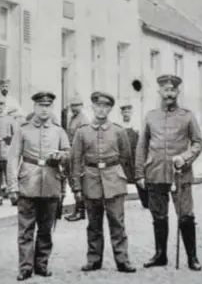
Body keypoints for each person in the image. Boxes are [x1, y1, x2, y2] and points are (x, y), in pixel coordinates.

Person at [135, 74, 202, 272]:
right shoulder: (150, 116)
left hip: (180, 173)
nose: (169, 93)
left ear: (178, 92)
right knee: (159, 216)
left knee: (185, 216)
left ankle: (192, 257)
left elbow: (198, 143)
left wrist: (186, 157)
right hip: (155, 172)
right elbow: (142, 145)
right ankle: (160, 255)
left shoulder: (187, 116)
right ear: (159, 92)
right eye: (165, 90)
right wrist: (139, 173)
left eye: (173, 90)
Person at [6, 91, 70, 281]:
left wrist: (62, 155)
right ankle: (25, 267)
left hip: (51, 183)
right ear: (34, 107)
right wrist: (12, 186)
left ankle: (41, 264)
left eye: (48, 106)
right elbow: (12, 158)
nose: (44, 109)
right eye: (41, 105)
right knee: (25, 229)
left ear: (52, 108)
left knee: (46, 228)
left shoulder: (59, 130)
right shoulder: (23, 129)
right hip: (28, 183)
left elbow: (69, 153)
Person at [71, 91, 136, 273]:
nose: (101, 110)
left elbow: (125, 157)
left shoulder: (118, 131)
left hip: (114, 180)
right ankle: (94, 259)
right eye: (98, 106)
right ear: (92, 107)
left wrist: (123, 178)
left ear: (110, 109)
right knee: (93, 224)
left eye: (105, 106)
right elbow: (75, 159)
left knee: (117, 222)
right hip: (91, 179)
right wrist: (76, 185)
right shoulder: (82, 132)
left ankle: (122, 260)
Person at [65, 94, 90, 222]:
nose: (73, 108)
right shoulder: (73, 118)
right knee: (73, 181)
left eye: (76, 105)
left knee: (78, 182)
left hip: (79, 155)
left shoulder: (83, 120)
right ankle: (80, 209)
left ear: (82, 106)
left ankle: (81, 211)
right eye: (72, 105)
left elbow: (85, 140)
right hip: (72, 152)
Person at [120, 102, 147, 208]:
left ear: (131, 112)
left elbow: (142, 141)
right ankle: (118, 204)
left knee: (139, 178)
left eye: (128, 111)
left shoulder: (137, 125)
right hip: (123, 157)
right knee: (120, 179)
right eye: (124, 111)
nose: (126, 114)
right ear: (121, 113)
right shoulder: (119, 125)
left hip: (134, 156)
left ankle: (146, 201)